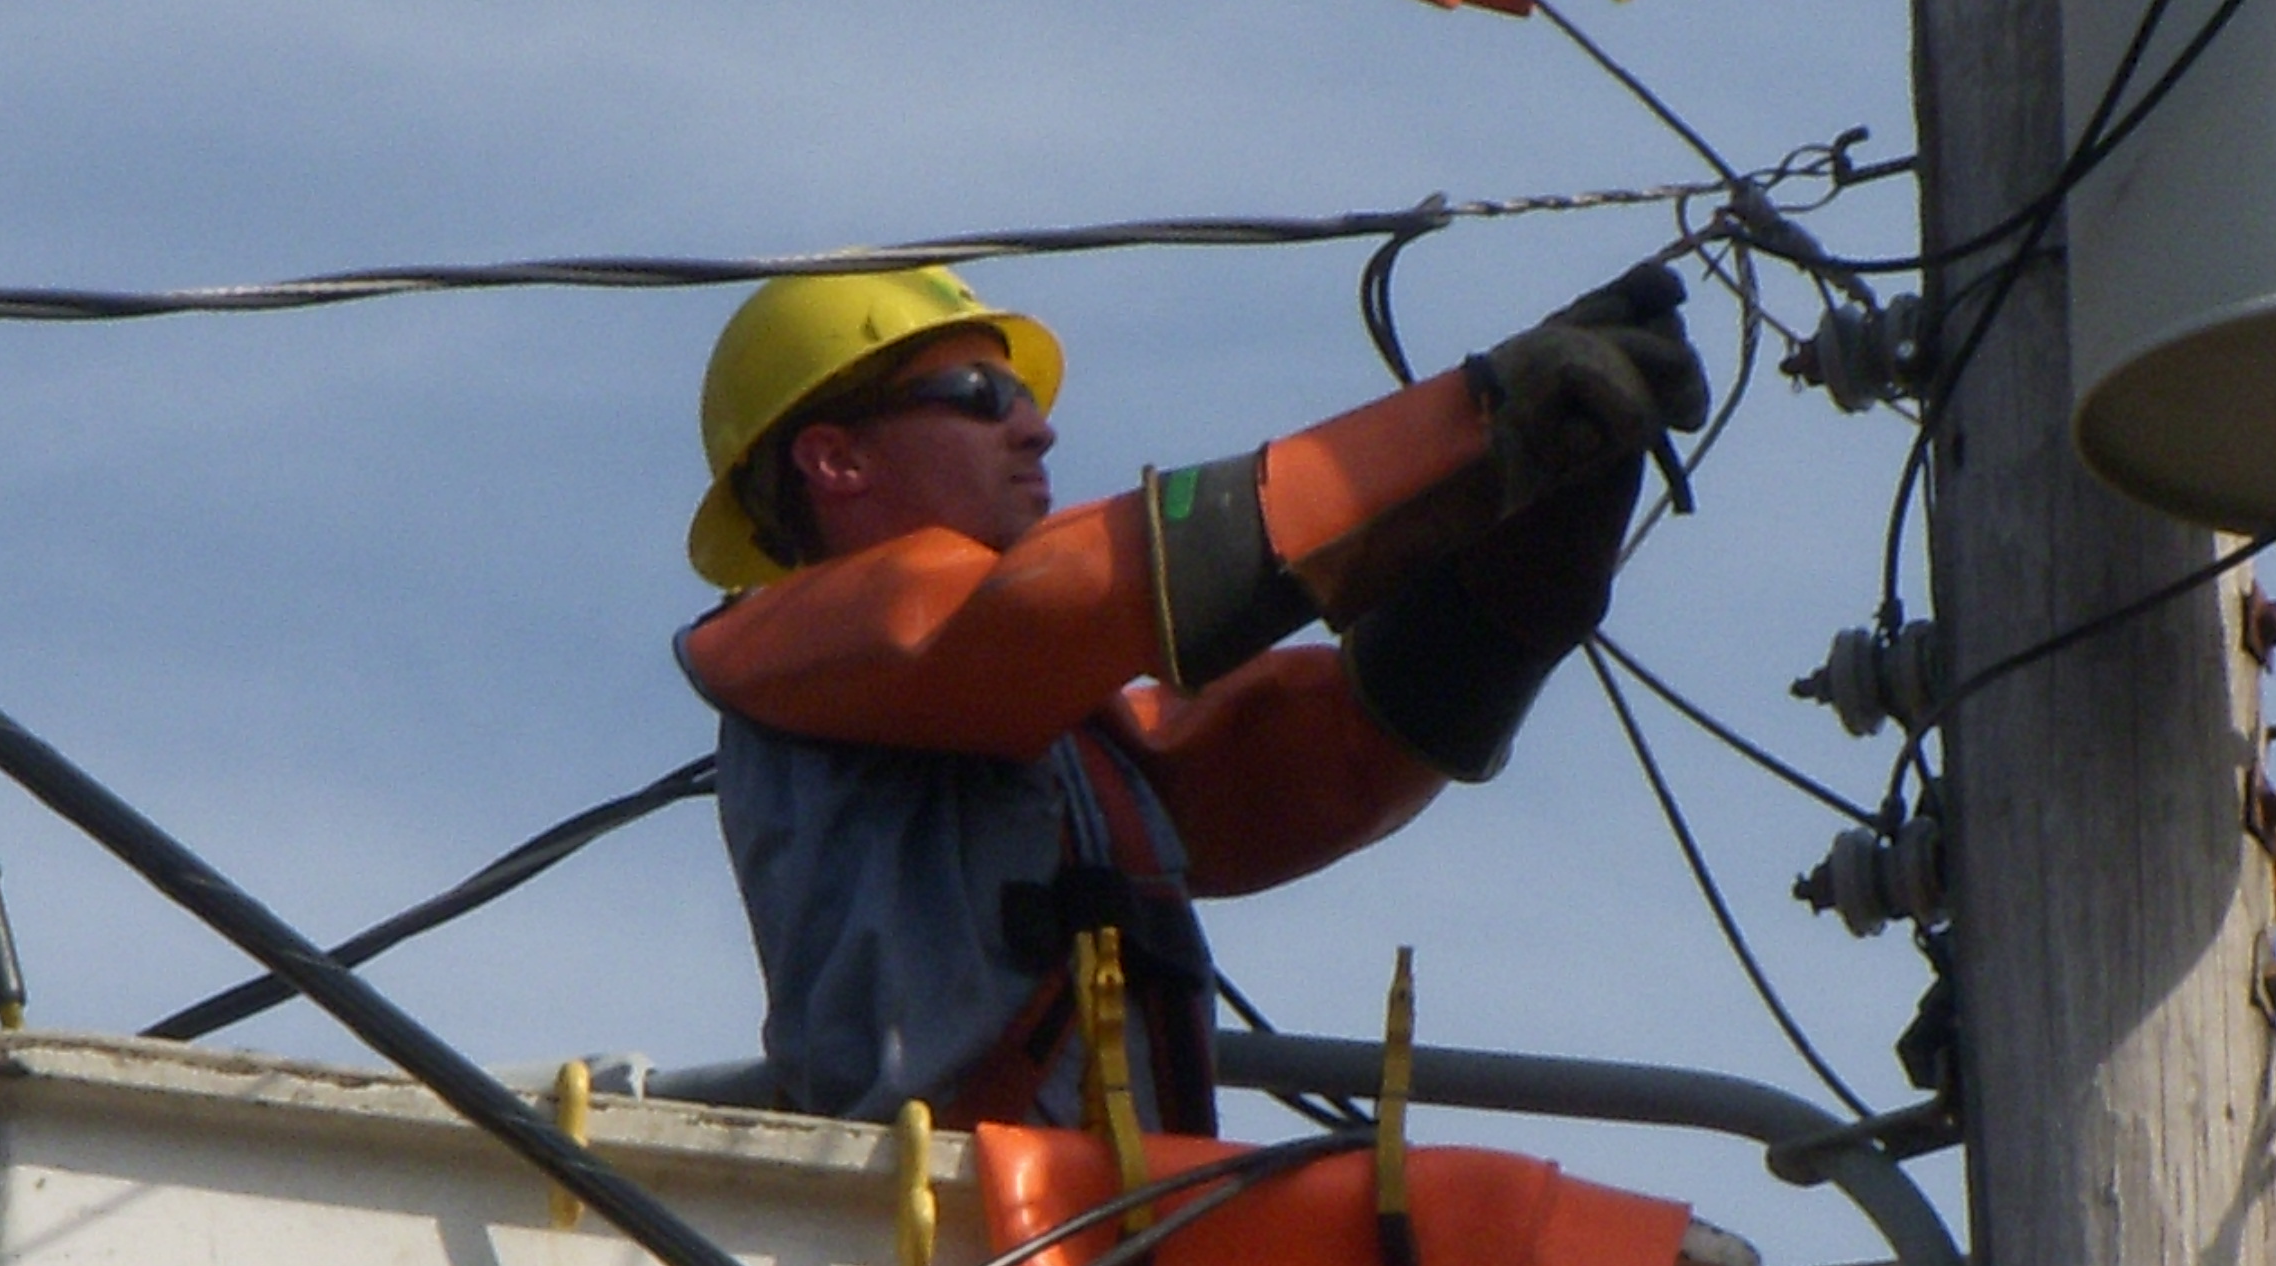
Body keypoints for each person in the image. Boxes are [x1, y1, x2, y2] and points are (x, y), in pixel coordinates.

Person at [675, 261, 1705, 1132]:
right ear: (835, 457)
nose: (1034, 431)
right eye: (984, 398)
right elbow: (1070, 594)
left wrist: (1534, 543)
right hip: (920, 1249)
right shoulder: (779, 642)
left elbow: (1337, 760)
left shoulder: (1071, 732)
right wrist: (1477, 416)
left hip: (1108, 1247)